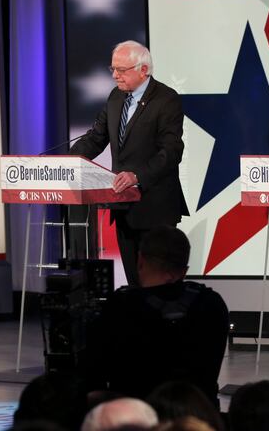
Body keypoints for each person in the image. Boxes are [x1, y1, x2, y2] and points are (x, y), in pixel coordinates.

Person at [70, 40, 188, 286]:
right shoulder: (116, 97)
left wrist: (137, 176)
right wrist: (67, 161)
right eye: (113, 69)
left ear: (143, 70)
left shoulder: (166, 99)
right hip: (124, 207)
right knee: (135, 283)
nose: (115, 75)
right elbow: (96, 138)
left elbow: (171, 151)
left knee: (158, 284)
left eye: (121, 70)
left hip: (156, 207)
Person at [85, 226, 229, 407]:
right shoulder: (212, 303)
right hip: (198, 415)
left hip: (134, 416)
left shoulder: (120, 307)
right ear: (184, 270)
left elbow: (94, 372)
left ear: (140, 261)